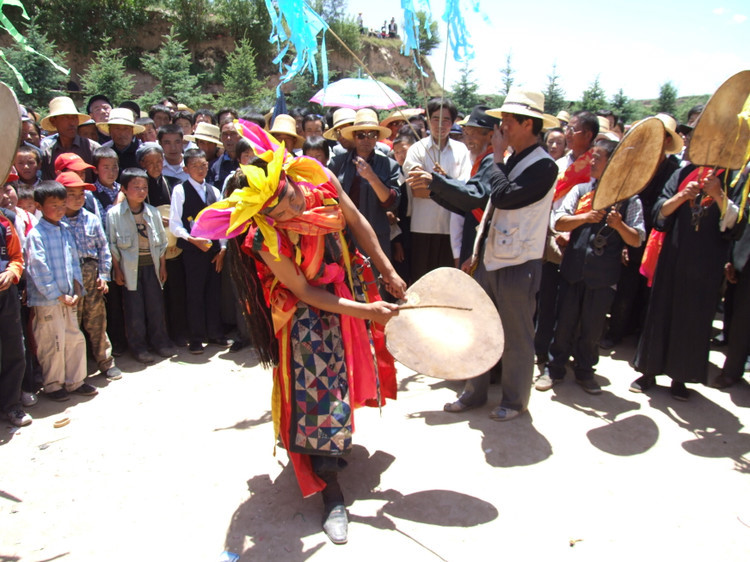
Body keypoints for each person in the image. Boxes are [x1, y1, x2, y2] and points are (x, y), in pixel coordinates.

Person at [191, 119, 405, 544]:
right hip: (306, 313)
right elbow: (304, 290)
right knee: (319, 397)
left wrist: (388, 271)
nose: (291, 213)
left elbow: (357, 219)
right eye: (278, 213)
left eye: (289, 201)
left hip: (344, 290)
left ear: (288, 177)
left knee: (345, 381)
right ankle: (331, 492)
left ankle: (335, 446)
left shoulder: (316, 175)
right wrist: (366, 310)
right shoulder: (265, 237)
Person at [443, 89, 558, 421]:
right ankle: (474, 392)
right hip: (490, 260)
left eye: (507, 120)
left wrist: (494, 158)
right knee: (481, 329)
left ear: (526, 123)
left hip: (519, 263)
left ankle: (513, 401)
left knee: (517, 338)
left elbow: (505, 197)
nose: (501, 126)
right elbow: (492, 211)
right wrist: (476, 252)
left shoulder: (544, 166)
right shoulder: (514, 159)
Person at [536, 139, 645, 394]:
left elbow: (637, 238)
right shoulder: (581, 191)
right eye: (592, 157)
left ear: (614, 163)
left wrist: (619, 226)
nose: (592, 162)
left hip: (603, 276)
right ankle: (554, 368)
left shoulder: (629, 200)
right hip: (574, 269)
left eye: (598, 158)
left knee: (592, 328)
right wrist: (584, 218)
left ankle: (585, 371)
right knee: (563, 323)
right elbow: (558, 222)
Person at [631, 164, 741, 400]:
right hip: (674, 253)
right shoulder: (684, 172)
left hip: (707, 262)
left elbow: (737, 222)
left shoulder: (733, 178)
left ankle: (680, 377)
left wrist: (718, 195)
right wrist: (682, 196)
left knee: (693, 318)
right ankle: (648, 371)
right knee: (661, 311)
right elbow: (660, 211)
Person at [24, 181, 98, 401]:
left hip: (69, 297)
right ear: (39, 206)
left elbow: (73, 261)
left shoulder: (65, 230)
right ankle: (53, 384)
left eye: (62, 204)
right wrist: (57, 294)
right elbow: (38, 268)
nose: (59, 209)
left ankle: (75, 381)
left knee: (74, 338)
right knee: (52, 343)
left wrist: (76, 288)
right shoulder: (36, 235)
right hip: (49, 301)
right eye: (53, 205)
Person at [108, 168, 177, 363]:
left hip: (152, 266)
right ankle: (138, 347)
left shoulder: (153, 212)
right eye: (135, 187)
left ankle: (160, 342)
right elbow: (112, 244)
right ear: (124, 189)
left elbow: (162, 242)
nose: (141, 191)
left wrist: (163, 266)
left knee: (156, 306)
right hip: (130, 268)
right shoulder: (114, 215)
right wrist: (117, 269)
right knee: (134, 308)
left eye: (144, 187)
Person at [59, 171, 122, 381]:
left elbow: (103, 248)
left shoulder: (91, 219)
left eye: (81, 194)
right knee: (72, 326)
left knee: (97, 322)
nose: (78, 199)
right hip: (70, 281)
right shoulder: (57, 224)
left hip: (92, 275)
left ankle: (105, 361)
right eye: (71, 194)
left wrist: (104, 274)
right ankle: (75, 370)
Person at [403, 97, 471, 281]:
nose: (440, 125)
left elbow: (465, 190)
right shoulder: (417, 149)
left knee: (448, 285)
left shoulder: (462, 150)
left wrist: (436, 183)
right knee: (421, 282)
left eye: (446, 120)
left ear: (453, 122)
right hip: (423, 228)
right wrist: (447, 184)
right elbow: (417, 189)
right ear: (428, 120)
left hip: (453, 231)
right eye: (435, 119)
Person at [169, 148, 229, 354]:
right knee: (194, 293)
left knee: (213, 291)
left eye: (203, 165)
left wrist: (222, 248)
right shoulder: (180, 190)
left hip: (212, 250)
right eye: (195, 165)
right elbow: (175, 224)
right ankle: (196, 337)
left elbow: (222, 221)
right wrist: (192, 240)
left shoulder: (214, 191)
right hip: (192, 251)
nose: (200, 169)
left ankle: (215, 333)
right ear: (185, 168)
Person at [329, 109, 400, 263]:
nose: (366, 140)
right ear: (354, 137)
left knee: (376, 282)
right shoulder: (337, 163)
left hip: (376, 237)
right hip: (343, 235)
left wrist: (372, 177)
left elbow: (392, 203)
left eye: (372, 135)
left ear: (377, 138)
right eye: (361, 135)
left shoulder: (389, 165)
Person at [137, 142, 188, 347]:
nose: (157, 166)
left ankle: (178, 333)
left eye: (159, 162)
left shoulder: (174, 183)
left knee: (176, 290)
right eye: (151, 163)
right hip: (150, 248)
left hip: (174, 247)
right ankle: (157, 337)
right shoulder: (139, 187)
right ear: (142, 164)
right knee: (155, 295)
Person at [0, 207, 30, 426]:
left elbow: (16, 256)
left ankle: (11, 405)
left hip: (6, 294)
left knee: (14, 350)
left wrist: (12, 271)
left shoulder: (5, 220)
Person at [40, 97, 101, 182]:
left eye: (74, 117)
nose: (72, 123)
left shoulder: (92, 149)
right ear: (53, 121)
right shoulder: (48, 154)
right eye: (65, 117)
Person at [99, 108, 144, 173]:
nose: (122, 133)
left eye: (126, 128)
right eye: (117, 128)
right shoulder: (103, 152)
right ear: (110, 130)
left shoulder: (142, 151)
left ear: (132, 130)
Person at [208, 118, 240, 188]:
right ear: (221, 138)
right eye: (225, 134)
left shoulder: (249, 163)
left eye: (233, 134)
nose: (228, 138)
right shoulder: (213, 166)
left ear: (241, 136)